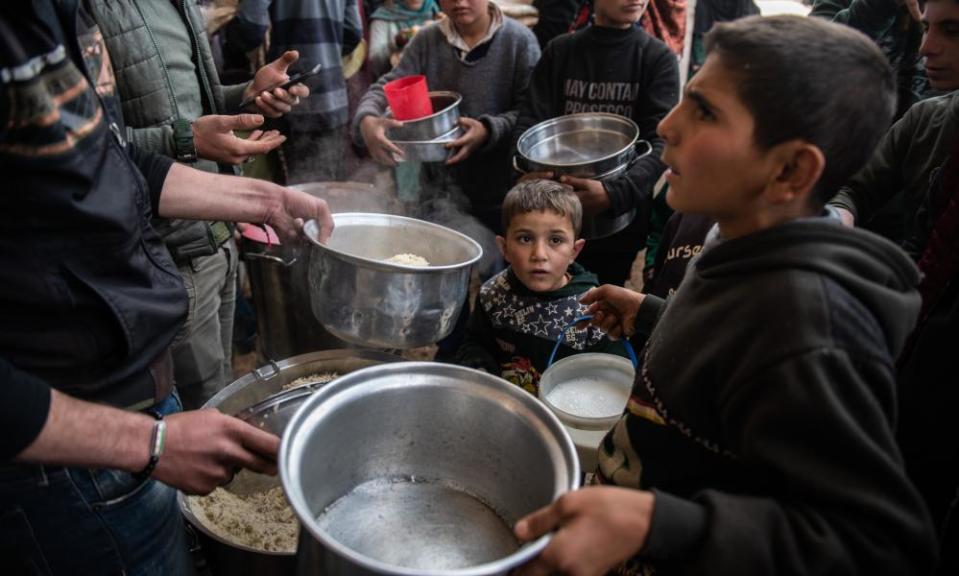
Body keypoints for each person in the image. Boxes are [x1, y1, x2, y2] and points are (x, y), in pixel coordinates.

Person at [512, 15, 938, 575]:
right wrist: (655, 317)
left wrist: (658, 524)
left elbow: (877, 544)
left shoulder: (810, 332)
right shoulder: (728, 242)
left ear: (789, 170)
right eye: (686, 100)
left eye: (706, 111)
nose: (667, 125)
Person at [0, 2, 334, 573]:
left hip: (136, 405)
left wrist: (266, 200)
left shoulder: (57, 16)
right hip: (65, 463)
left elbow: (112, 160)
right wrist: (145, 445)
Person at [88, 0, 311, 409]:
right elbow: (89, 146)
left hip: (217, 240)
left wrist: (247, 94)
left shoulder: (178, 5)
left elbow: (189, 106)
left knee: (219, 393)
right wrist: (186, 139)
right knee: (191, 417)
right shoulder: (86, 11)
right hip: (166, 257)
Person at [512, 0, 679, 287]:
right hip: (551, 214)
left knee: (598, 310)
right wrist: (525, 174)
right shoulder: (560, 51)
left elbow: (661, 142)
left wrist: (614, 194)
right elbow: (530, 124)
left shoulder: (656, 58)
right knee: (541, 299)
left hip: (619, 224)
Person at [354, 0, 541, 234]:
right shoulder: (427, 39)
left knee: (493, 263)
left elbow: (530, 113)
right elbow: (389, 85)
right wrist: (368, 120)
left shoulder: (520, 42)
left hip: (498, 192)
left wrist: (488, 130)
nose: (460, 2)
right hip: (437, 191)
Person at [455, 180, 629, 395]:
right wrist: (479, 369)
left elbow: (616, 377)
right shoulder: (493, 295)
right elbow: (475, 343)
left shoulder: (593, 311)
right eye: (525, 238)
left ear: (574, 251)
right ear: (505, 248)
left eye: (555, 240)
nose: (539, 254)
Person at [830, 0, 959, 244]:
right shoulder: (923, 119)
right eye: (926, 28)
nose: (926, 47)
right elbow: (854, 191)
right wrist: (837, 218)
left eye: (952, 31)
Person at [227, 0, 365, 183]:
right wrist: (325, 54)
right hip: (333, 99)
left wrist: (229, 40)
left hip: (288, 102)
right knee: (327, 191)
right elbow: (353, 32)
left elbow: (250, 27)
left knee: (293, 196)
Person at [367, 0, 441, 79]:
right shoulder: (382, 18)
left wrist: (441, 27)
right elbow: (374, 63)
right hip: (400, 81)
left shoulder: (433, 9)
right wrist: (396, 43)